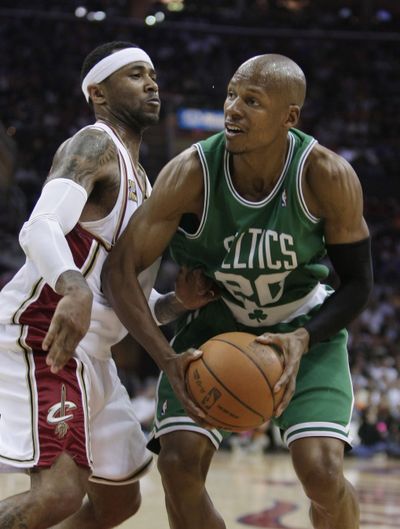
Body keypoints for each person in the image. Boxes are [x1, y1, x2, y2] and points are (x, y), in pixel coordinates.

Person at [102, 53, 373, 529]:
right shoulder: (191, 173)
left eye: (252, 100)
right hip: (213, 328)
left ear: (290, 116)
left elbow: (358, 283)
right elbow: (119, 271)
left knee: (322, 472)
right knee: (178, 464)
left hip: (301, 326)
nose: (232, 108)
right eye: (230, 94)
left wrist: (305, 337)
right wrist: (167, 357)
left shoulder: (326, 175)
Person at [0, 41, 214, 529]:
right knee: (59, 495)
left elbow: (123, 302)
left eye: (153, 74)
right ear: (98, 92)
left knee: (120, 502)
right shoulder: (93, 144)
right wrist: (71, 287)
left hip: (96, 354)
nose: (152, 83)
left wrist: (177, 303)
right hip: (46, 335)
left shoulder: (143, 179)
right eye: (136, 74)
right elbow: (39, 228)